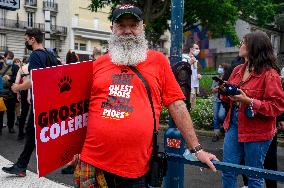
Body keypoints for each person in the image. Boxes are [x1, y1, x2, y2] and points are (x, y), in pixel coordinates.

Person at [74, 4, 217, 188]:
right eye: (121, 26)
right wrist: (72, 150)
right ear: (112, 29)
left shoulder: (158, 61)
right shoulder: (97, 65)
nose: (127, 31)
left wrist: (197, 150)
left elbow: (177, 105)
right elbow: (79, 110)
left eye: (133, 25)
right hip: (92, 162)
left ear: (143, 27)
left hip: (135, 169)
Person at [221, 32, 284, 188]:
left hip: (258, 129)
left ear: (254, 47)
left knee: (253, 175)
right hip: (234, 124)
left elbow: (277, 106)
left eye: (244, 42)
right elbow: (229, 96)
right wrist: (224, 92)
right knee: (228, 170)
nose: (241, 45)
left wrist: (249, 101)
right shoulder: (237, 70)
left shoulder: (270, 74)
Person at [2, 28, 58, 177]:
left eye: (26, 39)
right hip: (49, 100)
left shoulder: (35, 55)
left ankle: (21, 166)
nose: (25, 41)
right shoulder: (50, 54)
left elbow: (34, 80)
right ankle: (23, 164)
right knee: (37, 133)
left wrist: (17, 87)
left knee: (32, 133)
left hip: (39, 100)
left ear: (33, 39)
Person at [0, 50, 19, 135]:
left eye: (11, 58)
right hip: (1, 93)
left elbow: (18, 78)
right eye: (8, 58)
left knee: (11, 112)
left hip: (11, 93)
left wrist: (10, 78)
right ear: (4, 57)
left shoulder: (15, 67)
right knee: (0, 112)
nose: (10, 60)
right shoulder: (0, 65)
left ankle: (10, 127)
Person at [182, 43, 202, 109]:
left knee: (192, 107)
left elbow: (196, 71)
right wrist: (190, 63)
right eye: (196, 48)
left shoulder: (195, 59)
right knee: (187, 106)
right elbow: (182, 70)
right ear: (191, 49)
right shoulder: (184, 58)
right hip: (188, 86)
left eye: (198, 49)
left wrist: (199, 74)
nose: (198, 50)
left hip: (194, 85)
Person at [211, 64, 227, 142]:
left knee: (221, 115)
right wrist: (218, 87)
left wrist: (223, 87)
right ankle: (216, 134)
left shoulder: (227, 78)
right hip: (216, 99)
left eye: (221, 67)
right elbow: (213, 90)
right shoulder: (216, 79)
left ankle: (224, 128)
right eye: (219, 67)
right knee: (215, 117)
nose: (219, 69)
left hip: (223, 100)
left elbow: (228, 90)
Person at [14, 59, 30, 140]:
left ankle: (20, 133)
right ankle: (31, 133)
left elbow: (16, 82)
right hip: (34, 90)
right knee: (34, 113)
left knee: (24, 112)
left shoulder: (22, 68)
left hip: (24, 90)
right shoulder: (38, 66)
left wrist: (17, 93)